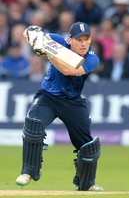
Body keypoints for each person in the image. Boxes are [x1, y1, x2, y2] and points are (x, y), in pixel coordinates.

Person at [15, 22, 103, 192]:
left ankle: (87, 184)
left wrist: (48, 51)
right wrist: (32, 36)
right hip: (48, 97)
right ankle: (28, 173)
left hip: (73, 102)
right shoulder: (57, 40)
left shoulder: (92, 58)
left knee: (87, 145)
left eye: (87, 39)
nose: (84, 43)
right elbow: (29, 32)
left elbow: (68, 70)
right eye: (79, 40)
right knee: (34, 124)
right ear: (69, 39)